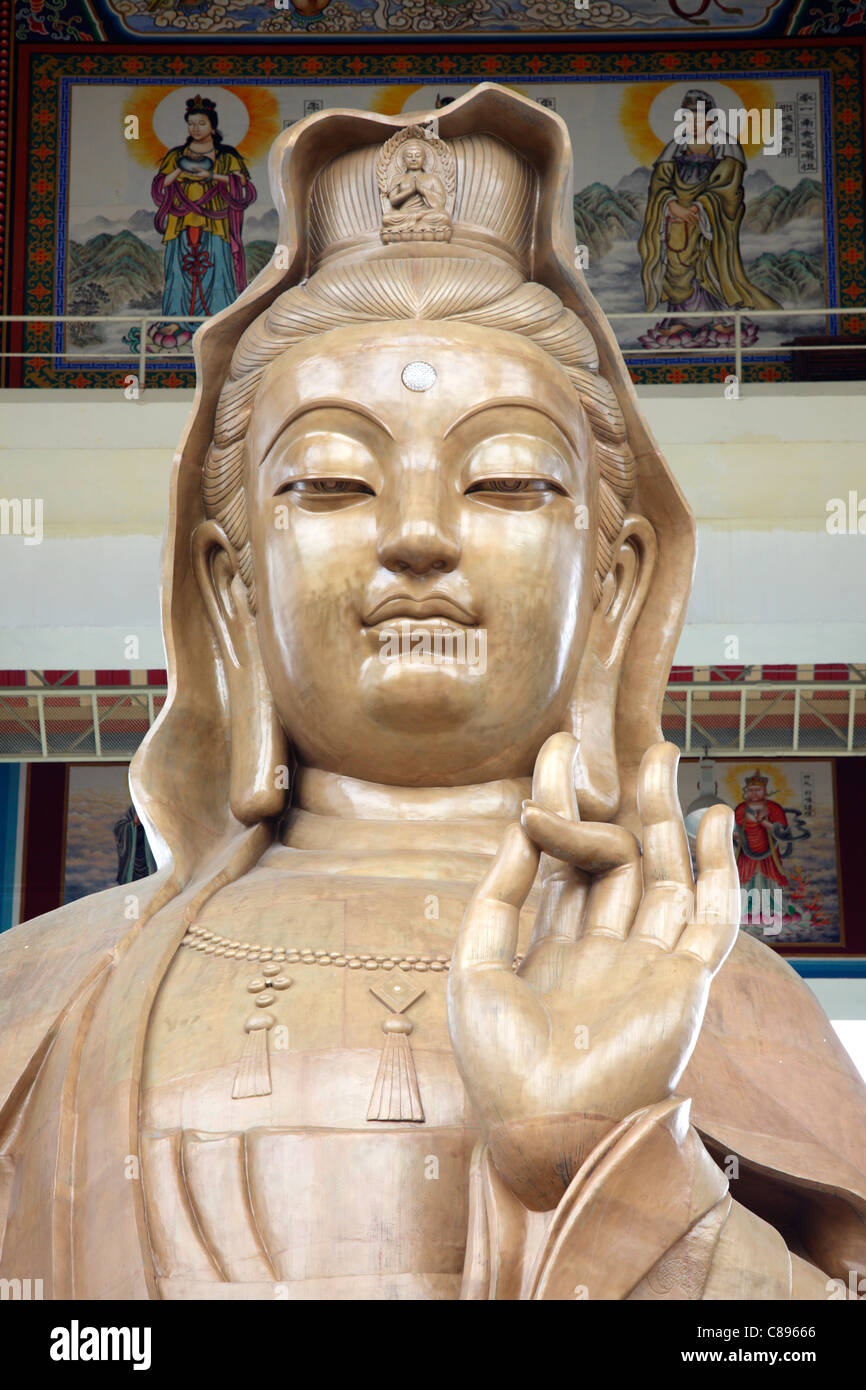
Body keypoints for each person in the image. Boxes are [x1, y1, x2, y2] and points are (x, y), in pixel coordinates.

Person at [1, 86, 864, 1301]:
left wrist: (619, 1171)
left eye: (504, 480)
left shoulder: (711, 994)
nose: (417, 535)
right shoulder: (41, 992)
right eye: (332, 482)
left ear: (613, 583)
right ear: (232, 584)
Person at [149, 94, 256, 348]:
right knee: (178, 271)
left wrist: (212, 176)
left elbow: (241, 182)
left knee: (217, 270)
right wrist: (180, 169)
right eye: (191, 124)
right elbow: (161, 184)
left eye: (201, 123)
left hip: (214, 223)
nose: (195, 129)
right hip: (181, 222)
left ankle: (219, 320)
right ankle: (175, 320)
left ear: (212, 127)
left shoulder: (227, 156)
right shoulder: (176, 155)